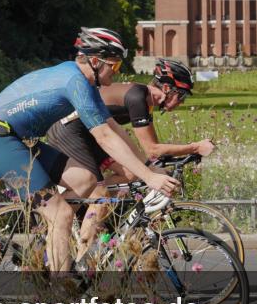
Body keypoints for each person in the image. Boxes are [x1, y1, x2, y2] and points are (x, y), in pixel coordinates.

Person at [0, 27, 179, 273]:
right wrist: (149, 177)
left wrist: (145, 167)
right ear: (94, 61)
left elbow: (111, 130)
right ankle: (62, 296)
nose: (117, 72)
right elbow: (103, 138)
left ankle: (44, 250)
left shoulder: (85, 84)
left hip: (17, 140)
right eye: (113, 66)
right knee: (61, 215)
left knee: (86, 180)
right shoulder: (75, 82)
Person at [45, 58, 214, 253]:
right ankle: (84, 257)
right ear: (168, 89)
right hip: (69, 130)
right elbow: (153, 150)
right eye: (182, 96)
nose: (181, 102)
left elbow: (145, 151)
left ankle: (86, 208)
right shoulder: (138, 97)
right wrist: (194, 147)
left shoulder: (145, 100)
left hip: (89, 134)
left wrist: (149, 167)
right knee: (101, 195)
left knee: (131, 174)